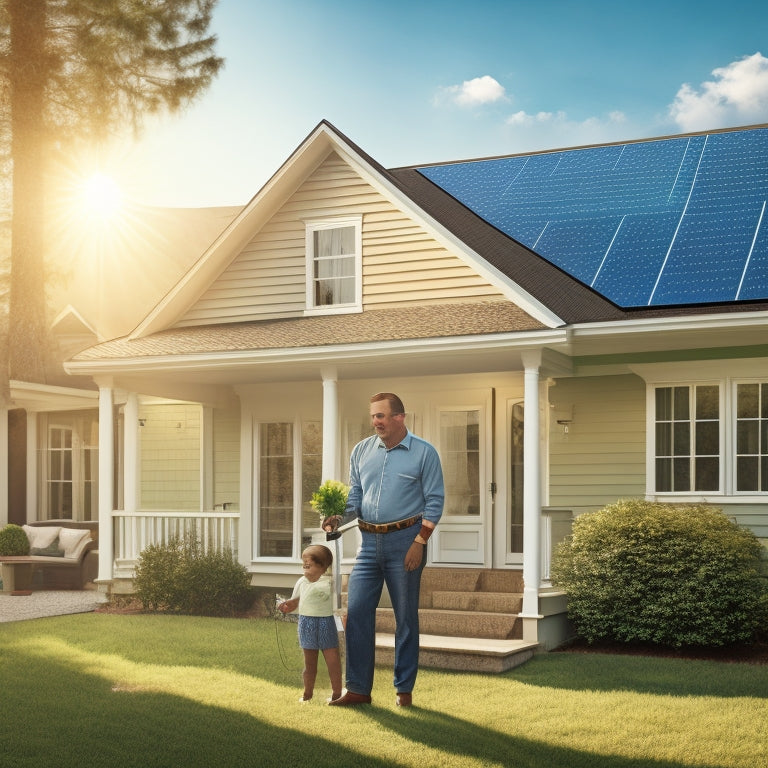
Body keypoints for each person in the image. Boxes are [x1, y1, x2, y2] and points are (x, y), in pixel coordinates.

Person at [324, 392, 444, 708]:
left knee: (405, 617)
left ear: (399, 418)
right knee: (358, 612)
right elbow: (355, 500)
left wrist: (420, 542)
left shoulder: (424, 453)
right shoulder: (362, 451)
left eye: (381, 416)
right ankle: (359, 690)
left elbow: (435, 501)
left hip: (406, 541)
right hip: (368, 544)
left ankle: (403, 690)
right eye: (373, 416)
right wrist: (338, 518)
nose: (375, 421)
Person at [279, 544, 343, 703]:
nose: (304, 569)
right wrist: (286, 606)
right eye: (303, 566)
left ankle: (337, 693)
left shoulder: (329, 583)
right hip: (306, 623)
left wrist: (342, 620)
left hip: (326, 623)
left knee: (333, 660)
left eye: (308, 566)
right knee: (309, 663)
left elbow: (338, 606)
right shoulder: (301, 582)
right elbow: (294, 603)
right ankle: (307, 694)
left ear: (322, 566)